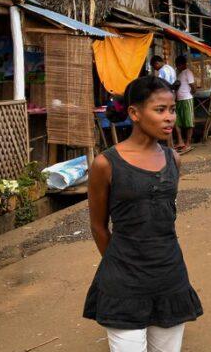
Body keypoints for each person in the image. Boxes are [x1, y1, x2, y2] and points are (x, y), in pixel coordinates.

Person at [84, 75, 202, 351]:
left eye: (171, 110)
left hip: (169, 276)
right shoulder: (105, 164)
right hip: (123, 282)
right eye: (159, 110)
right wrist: (123, 264)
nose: (169, 117)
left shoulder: (173, 159)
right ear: (135, 113)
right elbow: (98, 226)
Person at [174, 56, 196, 151]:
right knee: (177, 121)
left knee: (189, 122)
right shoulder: (179, 74)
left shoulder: (188, 72)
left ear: (183, 64)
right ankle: (180, 141)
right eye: (177, 65)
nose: (177, 67)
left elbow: (192, 86)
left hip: (187, 99)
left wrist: (192, 92)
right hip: (179, 100)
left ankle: (188, 143)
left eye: (178, 65)